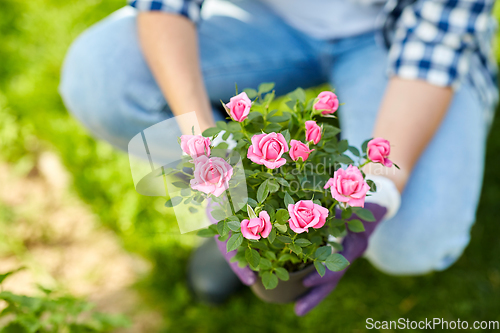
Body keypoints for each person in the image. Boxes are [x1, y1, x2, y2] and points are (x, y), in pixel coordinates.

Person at [59, 0, 497, 316]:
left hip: (398, 28)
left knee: (410, 242)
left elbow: (435, 45)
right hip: (265, 14)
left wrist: (380, 187)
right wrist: (207, 154)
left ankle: (323, 195)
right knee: (102, 79)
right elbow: (165, 6)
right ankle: (238, 218)